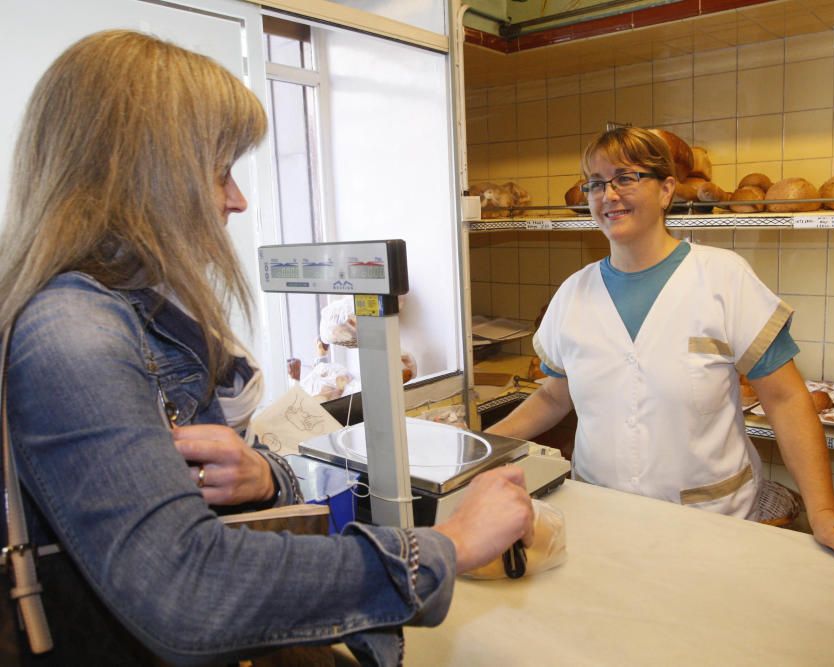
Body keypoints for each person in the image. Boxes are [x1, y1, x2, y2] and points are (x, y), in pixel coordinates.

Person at [0, 30, 533, 666]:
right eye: (219, 170)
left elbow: (195, 504)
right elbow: (188, 591)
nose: (237, 199)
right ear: (143, 173)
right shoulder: (74, 334)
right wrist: (448, 545)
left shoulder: (143, 316)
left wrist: (260, 479)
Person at [486, 126, 834, 568]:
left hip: (713, 525)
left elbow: (787, 398)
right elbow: (554, 394)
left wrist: (823, 512)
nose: (608, 194)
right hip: (601, 518)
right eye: (596, 183)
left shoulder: (723, 278)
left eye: (625, 177)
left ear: (666, 190)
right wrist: (479, 448)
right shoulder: (573, 294)